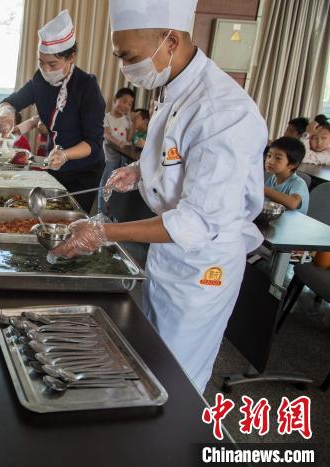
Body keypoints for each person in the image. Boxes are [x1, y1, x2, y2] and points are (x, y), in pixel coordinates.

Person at [54, 0, 268, 394]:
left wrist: (103, 232)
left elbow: (197, 222)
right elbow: (179, 154)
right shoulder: (175, 85)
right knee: (150, 353)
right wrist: (141, 170)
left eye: (128, 56)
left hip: (202, 266)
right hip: (167, 251)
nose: (125, 67)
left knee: (176, 376)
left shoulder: (224, 112)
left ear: (170, 40)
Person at [0, 10, 106, 212]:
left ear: (71, 57)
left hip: (84, 170)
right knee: (48, 213)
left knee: (70, 216)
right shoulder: (40, 80)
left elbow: (93, 142)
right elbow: (9, 102)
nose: (46, 69)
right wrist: (6, 114)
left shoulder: (86, 86)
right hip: (53, 162)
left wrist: (65, 155)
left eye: (52, 64)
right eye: (41, 62)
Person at [98, 87, 135, 214]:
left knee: (119, 185)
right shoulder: (106, 117)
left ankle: (112, 212)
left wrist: (132, 121)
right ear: (115, 100)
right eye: (124, 101)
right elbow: (106, 134)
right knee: (106, 183)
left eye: (129, 104)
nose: (126, 106)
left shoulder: (127, 120)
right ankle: (101, 211)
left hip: (123, 158)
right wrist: (118, 142)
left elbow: (129, 138)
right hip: (110, 157)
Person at [264, 137, 309, 214]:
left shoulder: (298, 183)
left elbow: (293, 203)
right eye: (269, 156)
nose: (270, 161)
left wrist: (262, 189)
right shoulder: (272, 178)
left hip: (292, 221)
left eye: (278, 158)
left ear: (293, 165)